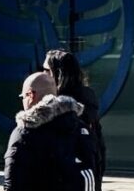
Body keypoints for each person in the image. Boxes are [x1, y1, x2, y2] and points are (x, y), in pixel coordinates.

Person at [44, 49, 106, 181]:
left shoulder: (66, 106)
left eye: (47, 70)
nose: (43, 75)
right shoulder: (86, 99)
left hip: (71, 179)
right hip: (88, 176)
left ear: (58, 73)